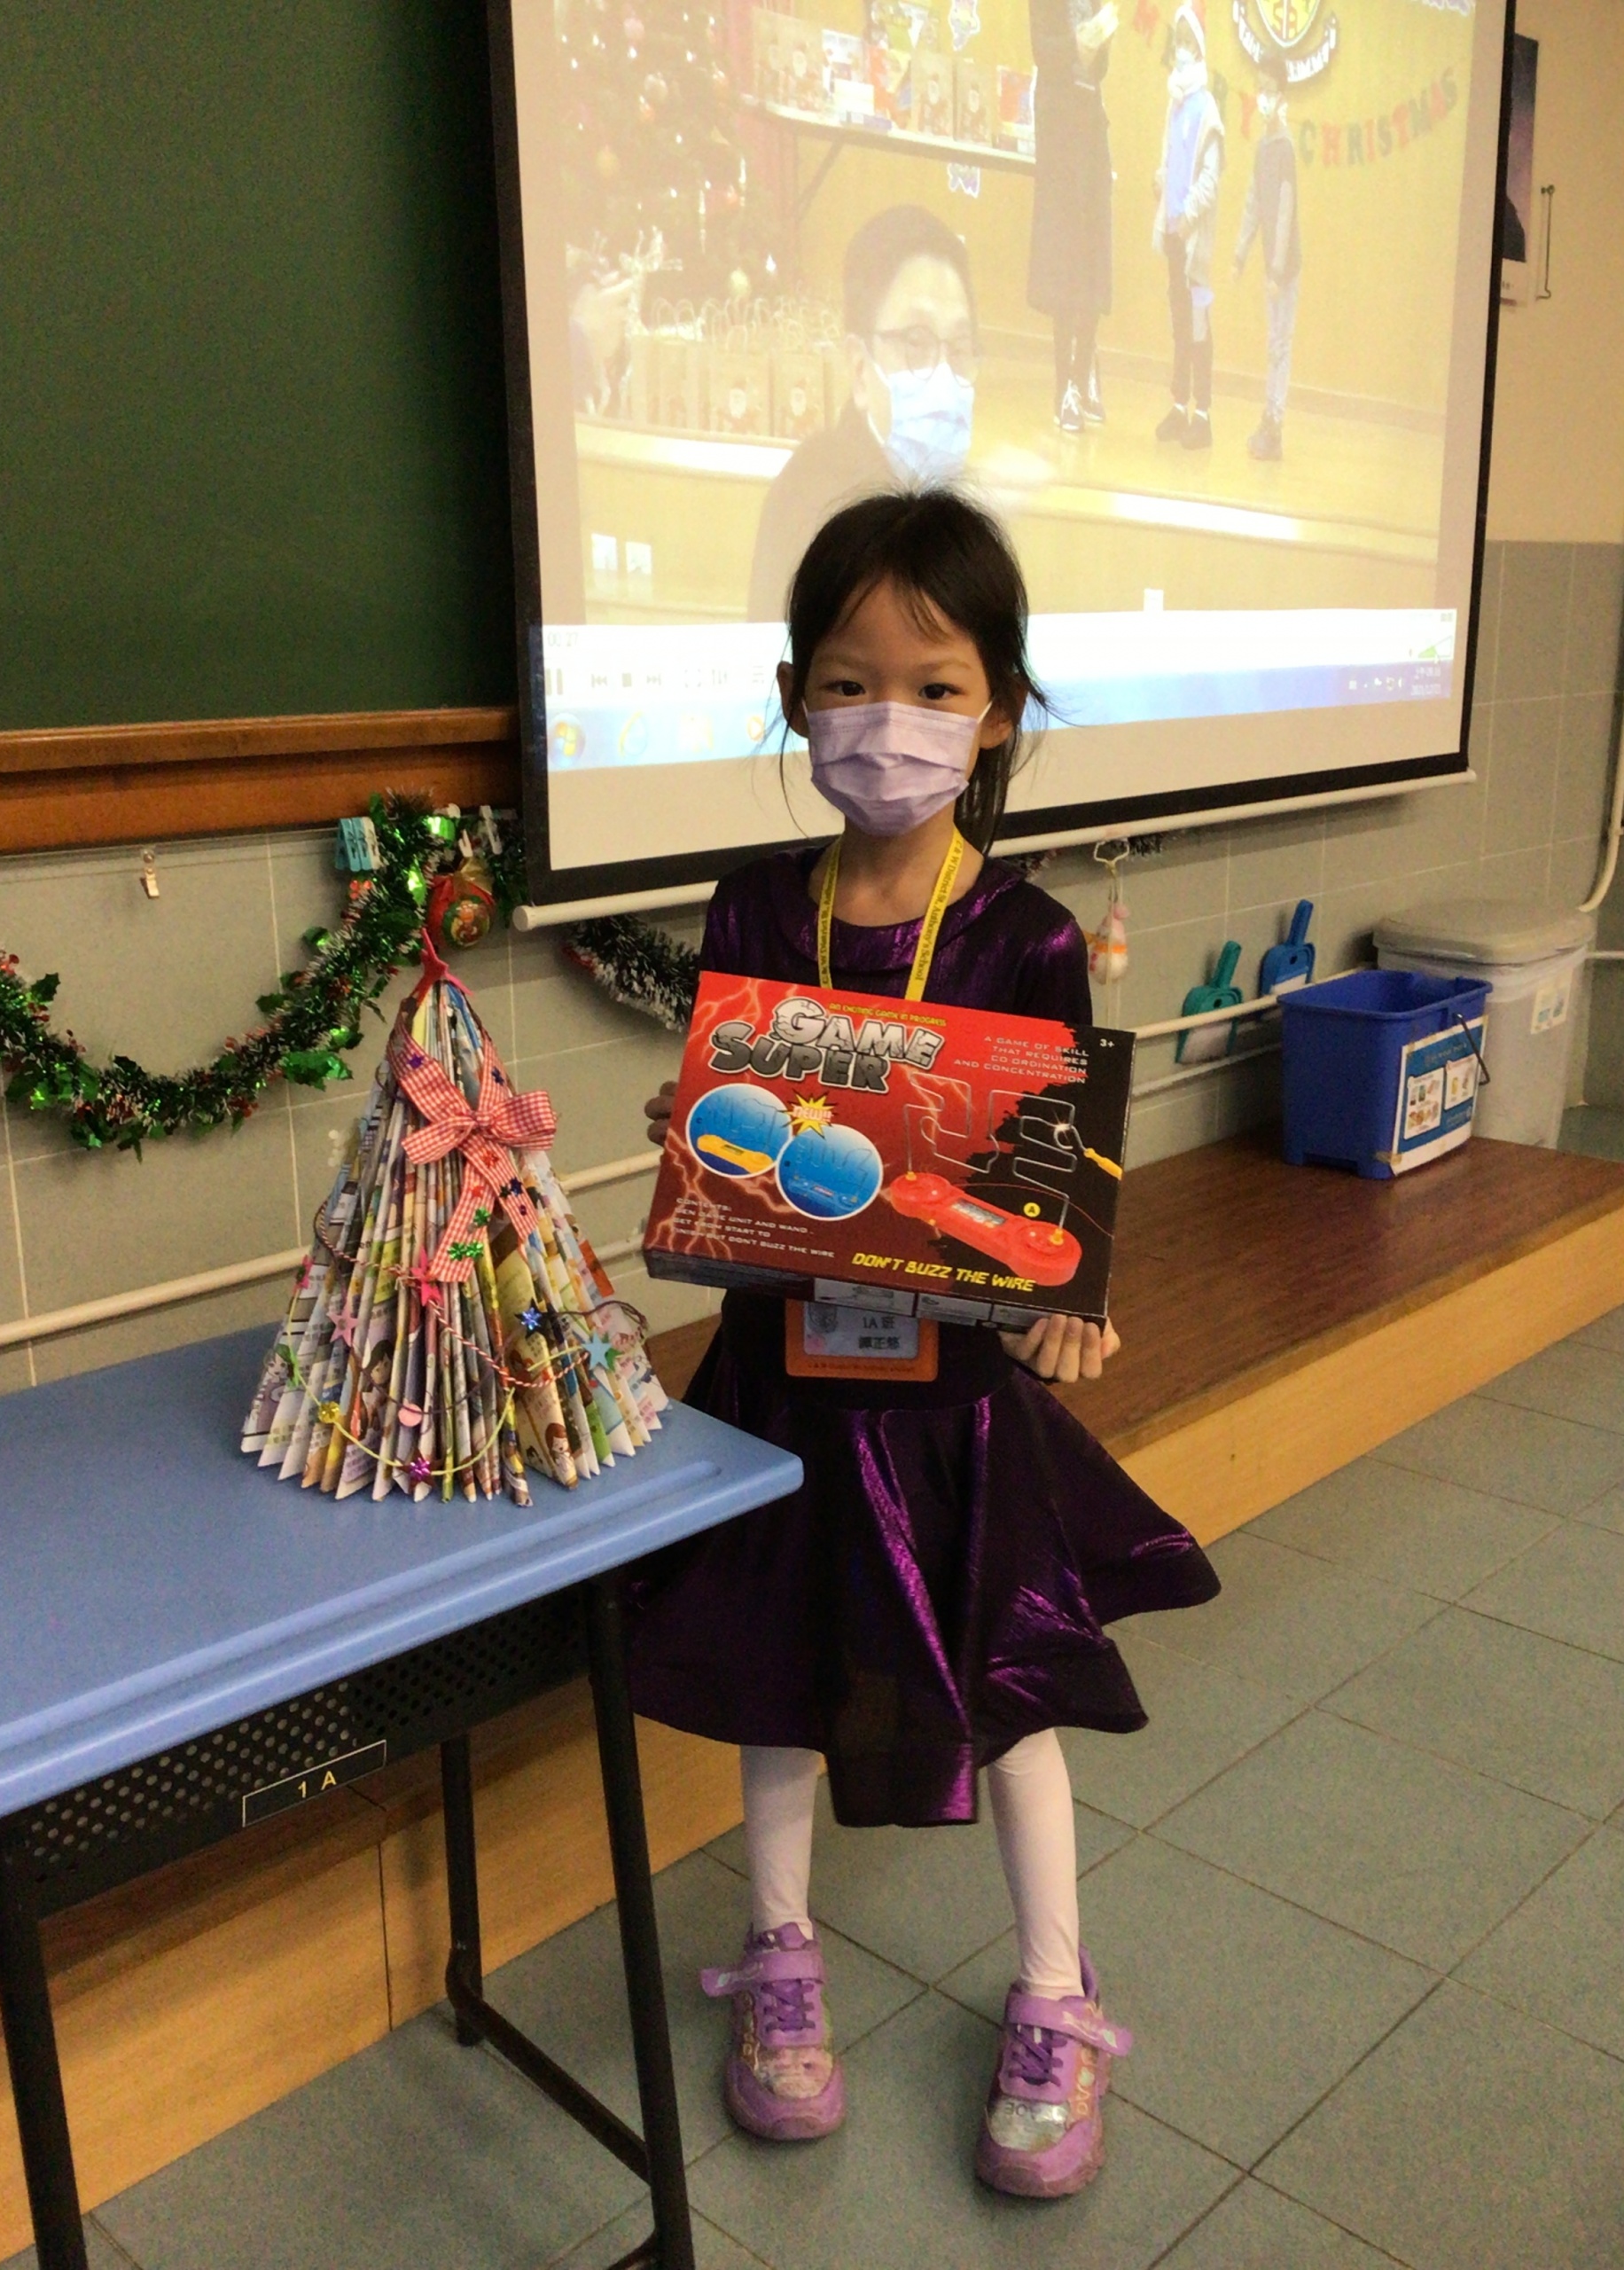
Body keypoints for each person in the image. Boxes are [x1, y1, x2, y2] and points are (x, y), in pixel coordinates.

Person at [632, 491, 1220, 2198]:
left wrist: (1068, 1302)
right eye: (846, 682)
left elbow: (1054, 1178)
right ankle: (780, 1961)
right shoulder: (754, 907)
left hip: (954, 1399)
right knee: (780, 1662)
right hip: (786, 1376)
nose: (885, 721)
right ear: (794, 699)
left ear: (999, 711)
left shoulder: (1025, 935)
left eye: (934, 686)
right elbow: (735, 1130)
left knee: (1004, 1680)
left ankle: (1056, 1994)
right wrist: (698, 1139)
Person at [746, 207, 979, 621]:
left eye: (959, 349)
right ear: (858, 367)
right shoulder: (812, 496)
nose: (943, 377)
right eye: (916, 341)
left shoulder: (955, 492)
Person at [1027, 0, 1118, 434]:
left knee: (1093, 254)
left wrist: (1099, 43)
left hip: (1091, 124)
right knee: (1063, 262)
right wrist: (1075, 46)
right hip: (1059, 128)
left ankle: (1086, 370)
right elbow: (1041, 49)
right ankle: (1064, 385)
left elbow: (1102, 69)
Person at [1152, 4, 1224, 450]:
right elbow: (1170, 159)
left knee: (1198, 325)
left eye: (1187, 42)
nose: (1180, 49)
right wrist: (1160, 183)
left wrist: (1187, 215)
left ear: (1199, 48)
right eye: (1176, 41)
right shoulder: (1175, 102)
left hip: (1193, 238)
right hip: (1173, 234)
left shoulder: (1207, 108)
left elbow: (1211, 179)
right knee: (1179, 322)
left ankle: (1204, 412)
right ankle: (1179, 405)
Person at [1233, 53, 1301, 461]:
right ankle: (1268, 418)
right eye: (1260, 88)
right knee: (1272, 343)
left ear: (1282, 96)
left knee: (1280, 345)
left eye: (1270, 90)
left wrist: (1277, 270)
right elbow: (1254, 202)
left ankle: (1275, 424)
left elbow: (1285, 211)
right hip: (1268, 266)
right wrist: (1240, 252)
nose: (1263, 97)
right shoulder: (1262, 148)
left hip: (1285, 267)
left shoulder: (1285, 148)